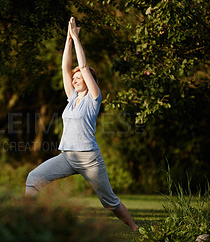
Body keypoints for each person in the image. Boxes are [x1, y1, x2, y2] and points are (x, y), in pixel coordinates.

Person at [25, 17, 138, 231]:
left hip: (89, 159)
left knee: (109, 202)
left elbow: (83, 65)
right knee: (33, 178)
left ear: (89, 80)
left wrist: (77, 39)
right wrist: (68, 38)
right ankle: (26, 220)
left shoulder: (94, 97)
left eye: (78, 77)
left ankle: (136, 229)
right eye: (74, 77)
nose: (74, 79)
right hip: (67, 156)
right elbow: (64, 67)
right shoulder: (72, 98)